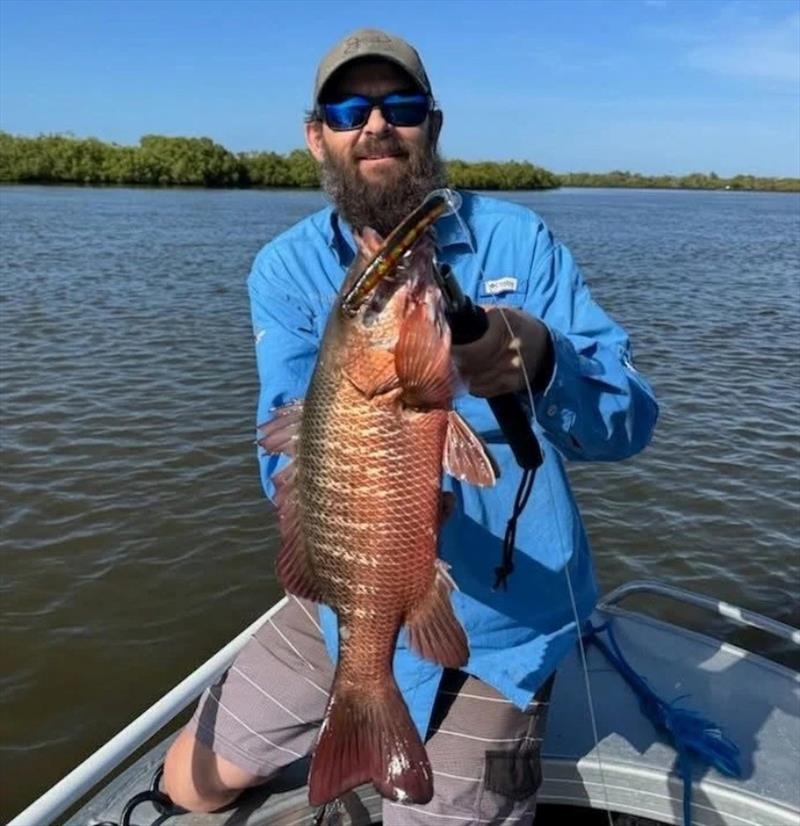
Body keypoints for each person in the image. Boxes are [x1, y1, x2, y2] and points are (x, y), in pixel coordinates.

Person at [163, 27, 658, 824]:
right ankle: (359, 694)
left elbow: (630, 423)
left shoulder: (519, 241)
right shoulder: (285, 270)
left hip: (505, 621)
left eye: (400, 105)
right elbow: (280, 457)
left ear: (432, 123)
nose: (375, 124)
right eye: (349, 107)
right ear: (317, 134)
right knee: (194, 783)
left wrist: (542, 360)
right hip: (346, 601)